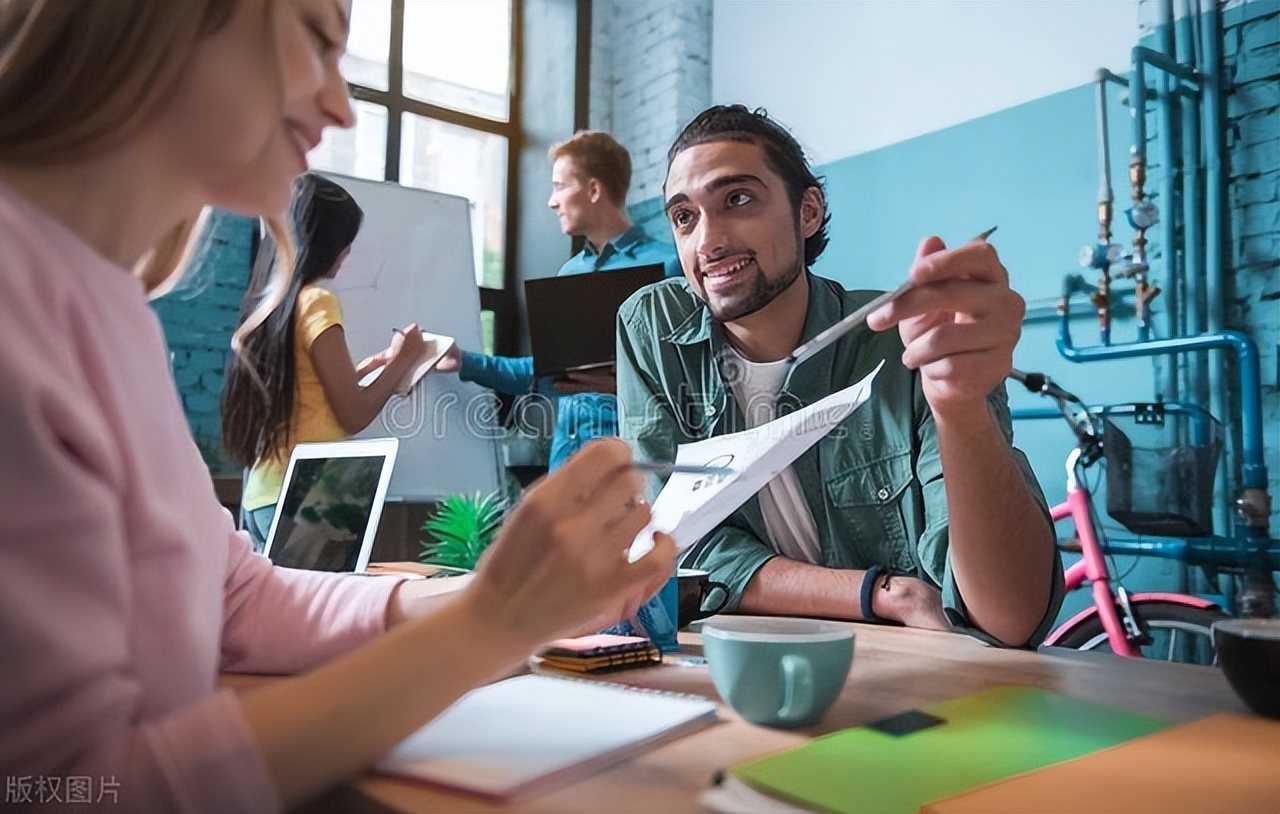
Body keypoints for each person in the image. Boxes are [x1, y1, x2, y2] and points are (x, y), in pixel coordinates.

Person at [0, 2, 675, 812]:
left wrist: (498, 598)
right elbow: (62, 789)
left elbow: (241, 598)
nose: (342, 106)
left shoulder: (109, 307)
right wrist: (486, 625)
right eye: (318, 39)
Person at [617, 105, 1063, 647]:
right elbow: (671, 541)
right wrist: (881, 593)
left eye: (737, 199)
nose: (706, 242)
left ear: (807, 212)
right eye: (685, 217)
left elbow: (1010, 622)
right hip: (744, 668)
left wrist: (960, 408)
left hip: (915, 682)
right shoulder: (655, 329)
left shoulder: (915, 340)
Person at [434, 130, 681, 470]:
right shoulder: (569, 273)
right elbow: (549, 373)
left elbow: (689, 379)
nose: (552, 201)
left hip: (634, 466)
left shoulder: (667, 266)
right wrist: (464, 361)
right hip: (565, 465)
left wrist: (625, 384)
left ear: (593, 190)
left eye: (560, 186)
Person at [222, 172, 426, 549]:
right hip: (308, 495)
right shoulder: (317, 300)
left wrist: (363, 371)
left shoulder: (270, 302)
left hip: (261, 492)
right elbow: (354, 414)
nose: (347, 254)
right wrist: (405, 358)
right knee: (322, 609)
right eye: (345, 244)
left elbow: (302, 387)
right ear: (326, 244)